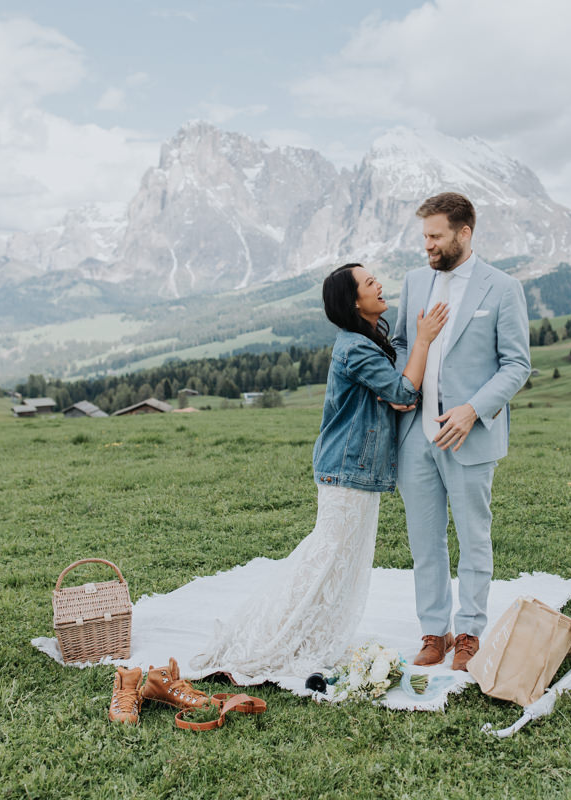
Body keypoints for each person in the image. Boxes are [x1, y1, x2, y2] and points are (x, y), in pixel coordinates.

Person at [191, 264, 448, 677]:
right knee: (325, 558)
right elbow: (403, 392)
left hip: (353, 470)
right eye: (369, 283)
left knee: (338, 561)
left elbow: (399, 397)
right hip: (347, 470)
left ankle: (313, 633)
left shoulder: (362, 341)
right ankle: (273, 636)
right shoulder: (356, 348)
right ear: (354, 302)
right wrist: (423, 340)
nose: (379, 284)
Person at [392, 191, 531, 671]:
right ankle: (434, 632)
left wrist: (472, 410)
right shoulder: (413, 283)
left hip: (470, 435)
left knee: (474, 539)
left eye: (435, 236)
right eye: (424, 236)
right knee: (423, 540)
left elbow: (517, 365)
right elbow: (402, 347)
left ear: (463, 233)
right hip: (416, 436)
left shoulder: (502, 288)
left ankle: (469, 633)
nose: (427, 245)